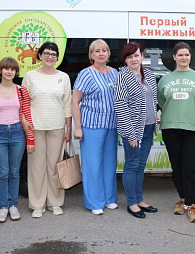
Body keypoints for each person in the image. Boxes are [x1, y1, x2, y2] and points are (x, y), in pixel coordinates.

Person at [157, 42, 195, 223]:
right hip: (170, 128)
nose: (183, 58)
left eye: (186, 55)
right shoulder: (165, 79)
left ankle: (192, 204)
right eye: (180, 55)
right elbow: (163, 101)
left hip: (193, 128)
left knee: (191, 167)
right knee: (177, 167)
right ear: (174, 57)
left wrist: (192, 115)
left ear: (190, 57)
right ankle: (183, 199)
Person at [22, 42, 72, 218]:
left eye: (53, 54)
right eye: (47, 53)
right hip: (35, 127)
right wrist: (26, 125)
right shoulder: (30, 76)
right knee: (36, 167)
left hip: (57, 127)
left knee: (54, 166)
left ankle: (55, 202)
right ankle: (37, 204)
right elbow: (24, 103)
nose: (50, 57)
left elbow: (67, 104)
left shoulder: (64, 77)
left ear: (57, 57)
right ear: (40, 55)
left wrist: (68, 129)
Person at [0, 57, 35, 222]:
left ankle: (13, 206)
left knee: (14, 172)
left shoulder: (21, 91)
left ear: (16, 72)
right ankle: (3, 207)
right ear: (0, 70)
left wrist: (31, 139)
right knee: (2, 172)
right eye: (6, 68)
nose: (9, 71)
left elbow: (27, 116)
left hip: (18, 133)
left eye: (12, 69)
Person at [72, 39, 119, 215]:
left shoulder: (114, 73)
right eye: (97, 51)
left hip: (111, 125)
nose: (101, 53)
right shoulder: (86, 74)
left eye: (104, 50)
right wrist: (78, 127)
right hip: (91, 125)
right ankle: (94, 202)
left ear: (108, 53)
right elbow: (75, 101)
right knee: (93, 165)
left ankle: (109, 198)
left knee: (109, 163)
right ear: (91, 55)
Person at [114, 42, 158, 219]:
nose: (134, 59)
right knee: (131, 165)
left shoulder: (148, 74)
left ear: (142, 56)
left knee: (141, 165)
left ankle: (139, 199)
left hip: (148, 128)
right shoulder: (121, 76)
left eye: (136, 55)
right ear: (125, 59)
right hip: (133, 129)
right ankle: (131, 202)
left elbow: (153, 100)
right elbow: (120, 105)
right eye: (129, 56)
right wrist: (130, 134)